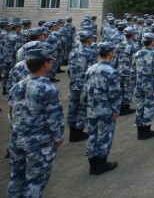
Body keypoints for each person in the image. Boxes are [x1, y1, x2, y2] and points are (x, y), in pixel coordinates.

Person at [7, 48, 64, 196]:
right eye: (50, 62)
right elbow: (54, 118)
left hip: (17, 138)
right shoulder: (48, 88)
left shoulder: (16, 87)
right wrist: (58, 137)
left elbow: (11, 114)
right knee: (35, 181)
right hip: (38, 142)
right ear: (45, 64)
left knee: (16, 178)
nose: (52, 64)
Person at [83, 42, 121, 175]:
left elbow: (85, 90)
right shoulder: (111, 71)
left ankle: (92, 164)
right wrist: (116, 109)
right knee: (104, 136)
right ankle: (101, 163)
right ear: (110, 53)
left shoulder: (90, 69)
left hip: (91, 108)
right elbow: (114, 94)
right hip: (105, 109)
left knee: (92, 135)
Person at [67, 31, 98, 142]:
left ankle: (72, 132)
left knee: (72, 107)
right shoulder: (91, 53)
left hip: (74, 83)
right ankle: (78, 132)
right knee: (82, 108)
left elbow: (69, 69)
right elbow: (92, 71)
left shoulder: (73, 52)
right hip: (84, 84)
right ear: (89, 39)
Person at [134, 33, 154, 140]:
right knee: (149, 106)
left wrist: (132, 83)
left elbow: (133, 70)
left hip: (139, 83)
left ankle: (139, 131)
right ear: (152, 42)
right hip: (150, 84)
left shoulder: (137, 54)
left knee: (139, 106)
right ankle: (147, 130)